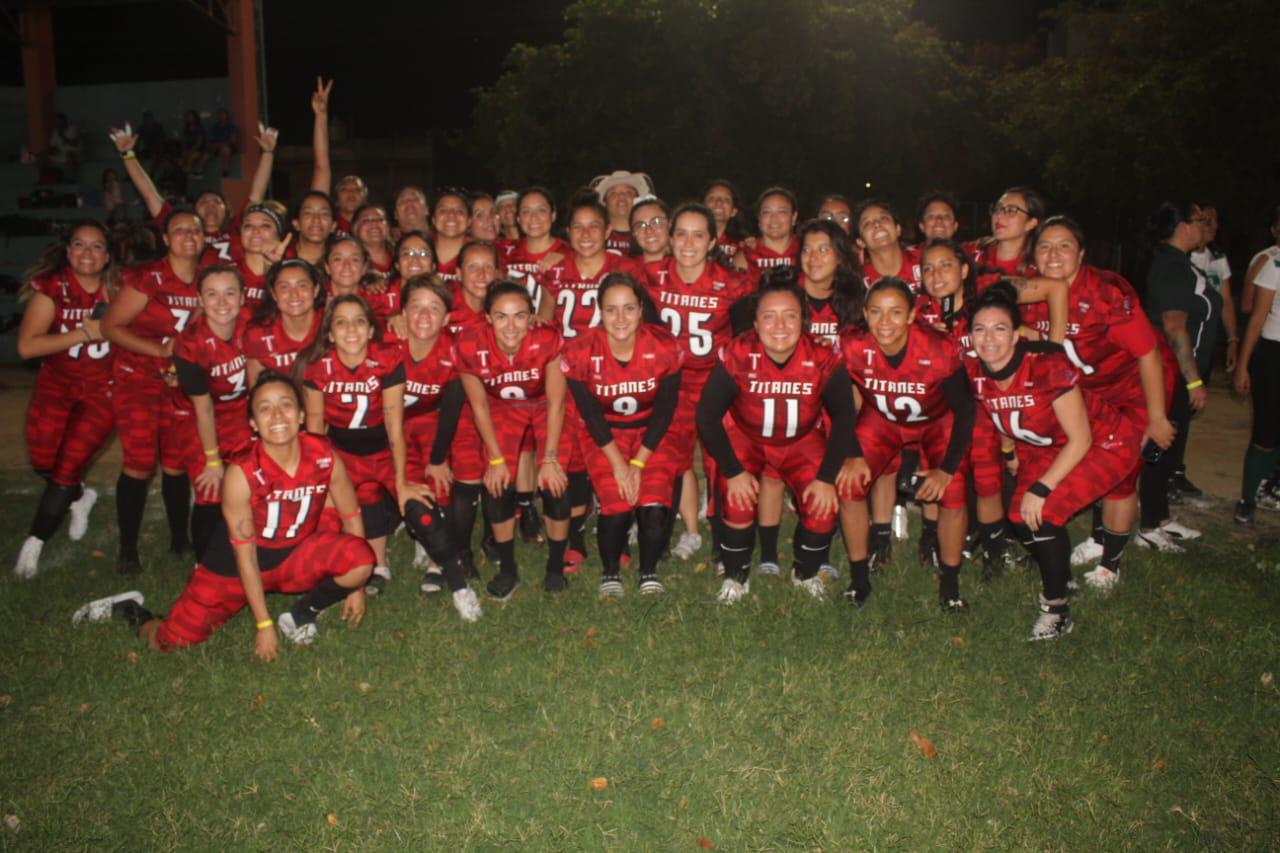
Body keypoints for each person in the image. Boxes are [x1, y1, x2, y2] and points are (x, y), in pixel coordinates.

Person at [74, 372, 376, 657]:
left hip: (295, 554)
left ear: (300, 415)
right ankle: (131, 609)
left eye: (286, 405)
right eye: (265, 409)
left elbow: (350, 516)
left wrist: (356, 588)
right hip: (235, 568)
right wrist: (263, 624)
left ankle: (301, 614)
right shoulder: (242, 473)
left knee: (361, 559)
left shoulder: (324, 456)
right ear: (254, 423)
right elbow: (246, 557)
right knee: (169, 642)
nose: (278, 416)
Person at [965, 283, 1141, 640]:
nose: (989, 338)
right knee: (1019, 516)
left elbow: (1082, 438)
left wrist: (1044, 487)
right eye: (980, 329)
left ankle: (1056, 608)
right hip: (1044, 447)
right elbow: (999, 414)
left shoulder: (1046, 367)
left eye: (1000, 328)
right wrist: (1010, 454)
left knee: (1041, 513)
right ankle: (1063, 576)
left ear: (1016, 335)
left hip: (1104, 442)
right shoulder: (976, 372)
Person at [1026, 217, 1175, 589]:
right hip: (1086, 390)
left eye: (1064, 246)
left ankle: (1112, 564)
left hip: (1133, 387)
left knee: (1122, 473)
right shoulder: (1029, 288)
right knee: (1092, 460)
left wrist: (1156, 417)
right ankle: (1098, 536)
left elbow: (1148, 353)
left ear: (1081, 252)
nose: (1053, 254)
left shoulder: (1105, 291)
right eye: (1045, 246)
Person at [916, 238, 1069, 579]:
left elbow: (1051, 292)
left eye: (945, 265)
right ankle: (930, 539)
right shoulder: (920, 311)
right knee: (935, 477)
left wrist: (1053, 349)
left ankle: (994, 548)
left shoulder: (986, 296)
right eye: (928, 268)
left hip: (985, 410)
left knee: (988, 484)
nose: (936, 274)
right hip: (941, 414)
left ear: (965, 269)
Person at [697, 279, 855, 603]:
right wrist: (733, 470)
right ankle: (736, 578)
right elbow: (706, 415)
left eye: (790, 316)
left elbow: (844, 417)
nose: (779, 325)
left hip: (801, 441)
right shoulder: (738, 353)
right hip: (748, 438)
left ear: (803, 321)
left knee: (822, 506)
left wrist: (826, 478)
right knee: (737, 498)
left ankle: (805, 572)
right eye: (769, 316)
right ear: (756, 323)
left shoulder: (823, 357)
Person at [835, 277, 975, 612]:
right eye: (876, 312)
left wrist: (946, 469)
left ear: (913, 316)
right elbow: (841, 403)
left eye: (895, 312)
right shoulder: (852, 345)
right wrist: (852, 453)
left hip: (936, 422)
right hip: (881, 419)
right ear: (865, 314)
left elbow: (965, 409)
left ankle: (950, 587)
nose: (885, 322)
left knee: (953, 492)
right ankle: (859, 579)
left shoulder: (938, 347)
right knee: (849, 485)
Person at [642, 203, 756, 566]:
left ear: (711, 241)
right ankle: (661, 533)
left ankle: (724, 542)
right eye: (681, 233)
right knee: (666, 459)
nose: (688, 242)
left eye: (698, 234)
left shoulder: (733, 283)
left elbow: (745, 337)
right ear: (670, 238)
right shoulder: (649, 276)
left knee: (720, 464)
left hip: (714, 386)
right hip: (669, 384)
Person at [561, 273, 684, 595]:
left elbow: (665, 410)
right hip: (604, 434)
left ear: (641, 308)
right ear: (599, 310)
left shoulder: (663, 346)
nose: (620, 318)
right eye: (611, 309)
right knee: (616, 505)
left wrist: (639, 464)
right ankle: (610, 572)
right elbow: (590, 414)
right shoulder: (580, 351)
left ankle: (648, 571)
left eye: (629, 308)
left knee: (653, 506)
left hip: (651, 432)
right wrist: (619, 464)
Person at [101, 209, 205, 573]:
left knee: (176, 466)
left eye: (195, 230)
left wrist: (185, 366)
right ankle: (128, 549)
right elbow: (111, 326)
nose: (188, 235)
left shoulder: (205, 279)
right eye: (179, 230)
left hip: (177, 384)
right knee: (140, 462)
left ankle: (180, 540)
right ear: (166, 238)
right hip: (138, 380)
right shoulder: (149, 276)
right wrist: (160, 351)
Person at [454, 281, 572, 598]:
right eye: (501, 316)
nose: (511, 326)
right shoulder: (468, 343)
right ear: (488, 318)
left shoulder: (545, 338)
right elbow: (478, 404)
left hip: (544, 405)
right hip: (502, 407)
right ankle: (508, 569)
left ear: (531, 316)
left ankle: (555, 567)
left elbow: (556, 402)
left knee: (555, 482)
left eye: (520, 316)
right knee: (496, 484)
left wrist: (549, 459)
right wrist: (494, 459)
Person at [14, 222, 116, 578]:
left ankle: (34, 544)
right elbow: (27, 347)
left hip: (103, 393)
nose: (87, 253)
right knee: (43, 461)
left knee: (66, 468)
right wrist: (81, 333)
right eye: (79, 245)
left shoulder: (120, 291)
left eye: (96, 246)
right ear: (68, 250)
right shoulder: (52, 289)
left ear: (107, 256)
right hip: (56, 388)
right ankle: (79, 496)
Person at [298, 295, 417, 595]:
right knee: (354, 503)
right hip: (345, 452)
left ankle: (443, 562)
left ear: (370, 329)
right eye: (341, 322)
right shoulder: (318, 367)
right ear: (329, 333)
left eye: (359, 321)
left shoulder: (386, 358)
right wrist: (321, 478)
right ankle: (371, 564)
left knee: (417, 503)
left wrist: (402, 481)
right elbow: (315, 429)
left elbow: (394, 426)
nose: (350, 328)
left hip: (385, 449)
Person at [395, 275, 484, 620]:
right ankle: (420, 541)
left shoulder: (453, 348)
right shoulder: (388, 343)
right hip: (396, 426)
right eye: (415, 307)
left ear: (447, 317)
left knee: (447, 478)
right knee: (406, 484)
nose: (423, 316)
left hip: (436, 420)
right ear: (402, 313)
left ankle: (441, 556)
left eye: (434, 309)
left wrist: (437, 458)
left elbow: (450, 406)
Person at [1138, 202, 1216, 550]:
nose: (1207, 227)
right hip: (1170, 374)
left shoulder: (1181, 263)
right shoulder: (1171, 265)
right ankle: (1148, 527)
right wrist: (1193, 380)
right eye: (1201, 221)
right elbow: (1174, 326)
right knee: (1161, 444)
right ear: (1182, 226)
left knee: (1171, 449)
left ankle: (1163, 519)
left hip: (1178, 373)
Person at [109, 118, 280, 264]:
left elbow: (257, 193)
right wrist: (128, 155)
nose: (210, 206)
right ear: (194, 211)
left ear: (227, 210)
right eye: (204, 202)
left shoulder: (237, 229)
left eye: (217, 202)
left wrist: (268, 152)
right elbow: (150, 195)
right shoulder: (183, 230)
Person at [171, 265, 252, 560]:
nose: (221, 302)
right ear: (200, 300)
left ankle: (246, 552)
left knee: (251, 481)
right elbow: (203, 407)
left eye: (230, 293)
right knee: (211, 488)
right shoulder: (190, 344)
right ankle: (204, 565)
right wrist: (213, 459)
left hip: (241, 410)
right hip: (199, 415)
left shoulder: (251, 322)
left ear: (243, 297)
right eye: (212, 294)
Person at [1181, 201, 1238, 498]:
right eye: (1206, 220)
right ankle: (1165, 473)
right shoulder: (1181, 260)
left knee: (1188, 412)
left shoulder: (1216, 260)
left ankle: (1175, 469)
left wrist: (1232, 340)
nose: (1212, 227)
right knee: (1175, 411)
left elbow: (1226, 301)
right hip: (1183, 349)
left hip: (1205, 346)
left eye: (1214, 221)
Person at [1232, 204, 1280, 525]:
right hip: (1273, 354)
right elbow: (1255, 320)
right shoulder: (1273, 264)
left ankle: (1269, 490)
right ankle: (1246, 500)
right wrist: (1242, 366)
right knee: (1266, 431)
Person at [244, 258, 323, 383]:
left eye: (302, 285)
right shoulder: (257, 335)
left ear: (316, 290)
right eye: (284, 287)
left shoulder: (332, 324)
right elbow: (258, 392)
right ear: (273, 294)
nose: (294, 294)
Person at [973, 187, 1044, 277]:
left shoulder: (1038, 267)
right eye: (997, 208)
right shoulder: (974, 252)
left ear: (1031, 223)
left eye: (1011, 210)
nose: (998, 215)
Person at [736, 187, 800, 272]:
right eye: (766, 212)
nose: (774, 218)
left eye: (781, 212)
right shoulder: (746, 256)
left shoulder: (805, 250)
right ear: (759, 218)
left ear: (794, 217)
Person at [591, 170, 654, 255]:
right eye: (613, 193)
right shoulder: (593, 236)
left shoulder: (651, 235)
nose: (621, 196)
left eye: (628, 192)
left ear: (637, 200)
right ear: (604, 202)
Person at [430, 190, 473, 283]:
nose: (451, 215)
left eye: (459, 211)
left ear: (469, 220)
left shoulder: (480, 254)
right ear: (433, 219)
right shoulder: (421, 251)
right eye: (443, 210)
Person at [703, 179, 748, 262]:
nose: (719, 202)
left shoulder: (742, 245)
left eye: (726, 199)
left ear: (733, 211)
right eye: (712, 198)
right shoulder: (689, 239)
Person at [352, 204, 395, 274]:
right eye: (366, 220)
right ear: (355, 228)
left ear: (388, 227)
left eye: (379, 219)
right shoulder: (352, 266)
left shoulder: (401, 259)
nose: (374, 223)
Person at [630, 196, 671, 265]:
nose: (649, 230)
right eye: (640, 225)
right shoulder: (627, 270)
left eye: (656, 221)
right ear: (633, 233)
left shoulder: (687, 265)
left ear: (670, 224)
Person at [206, 108, 239, 177]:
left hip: (228, 147)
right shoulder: (215, 127)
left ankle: (225, 169)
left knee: (225, 149)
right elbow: (212, 140)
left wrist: (222, 144)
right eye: (219, 115)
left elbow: (233, 141)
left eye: (223, 115)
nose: (221, 116)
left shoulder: (231, 127)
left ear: (227, 116)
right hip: (216, 148)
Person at [179, 110, 206, 176]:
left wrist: (191, 150)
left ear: (195, 118)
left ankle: (188, 171)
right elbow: (183, 142)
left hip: (198, 150)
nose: (189, 118)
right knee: (180, 161)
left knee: (191, 157)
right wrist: (184, 151)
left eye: (191, 117)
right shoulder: (186, 129)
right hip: (187, 150)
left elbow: (199, 143)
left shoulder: (200, 129)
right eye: (188, 117)